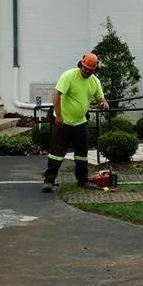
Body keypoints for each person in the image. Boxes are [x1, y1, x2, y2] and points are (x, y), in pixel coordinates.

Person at [42, 52, 109, 192]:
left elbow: (100, 99)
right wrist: (59, 116)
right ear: (80, 65)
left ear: (95, 70)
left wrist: (104, 104)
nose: (86, 71)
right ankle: (49, 181)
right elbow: (56, 95)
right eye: (84, 68)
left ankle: (82, 180)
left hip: (80, 122)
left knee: (82, 153)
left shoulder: (95, 82)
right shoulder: (69, 76)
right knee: (56, 152)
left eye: (90, 70)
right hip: (63, 121)